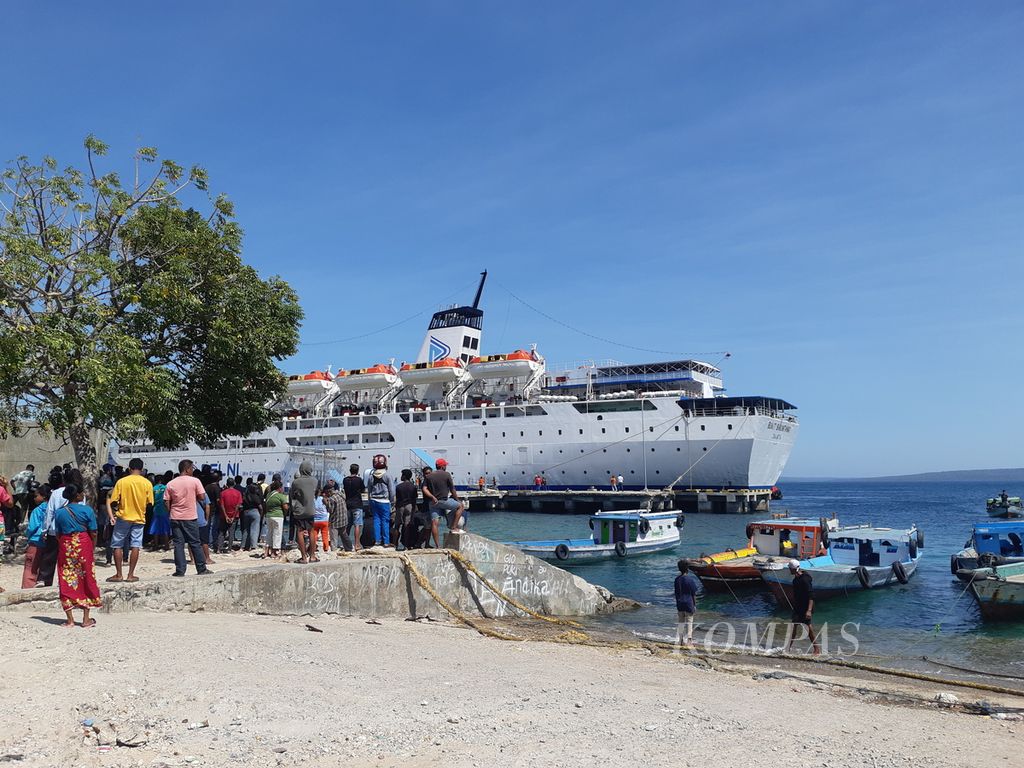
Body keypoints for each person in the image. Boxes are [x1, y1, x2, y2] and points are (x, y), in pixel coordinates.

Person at [53, 483, 102, 628]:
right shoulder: (87, 510)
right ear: (77, 495)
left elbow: (57, 534)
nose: (83, 495)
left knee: (66, 577)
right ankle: (86, 619)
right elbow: (93, 532)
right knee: (86, 577)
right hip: (84, 545)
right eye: (81, 493)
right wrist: (92, 547)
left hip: (66, 546)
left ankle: (70, 620)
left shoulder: (59, 512)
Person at [105, 457, 154, 583]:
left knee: (117, 545)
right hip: (139, 518)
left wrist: (116, 511)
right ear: (142, 469)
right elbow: (150, 503)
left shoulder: (122, 482)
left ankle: (119, 574)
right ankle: (131, 574)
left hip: (123, 517)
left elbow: (114, 501)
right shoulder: (147, 483)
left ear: (129, 468)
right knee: (136, 545)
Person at [164, 459, 213, 576]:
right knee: (195, 542)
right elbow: (201, 497)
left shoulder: (171, 483)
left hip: (175, 516)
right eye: (192, 468)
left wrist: (171, 511)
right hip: (190, 517)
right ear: (187, 469)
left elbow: (166, 501)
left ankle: (180, 570)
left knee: (178, 544)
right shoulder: (195, 481)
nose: (192, 470)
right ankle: (201, 568)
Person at [423, 458, 465, 538]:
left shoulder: (429, 476)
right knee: (460, 506)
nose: (446, 467)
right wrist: (457, 499)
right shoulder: (446, 474)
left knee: (435, 523)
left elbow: (424, 489)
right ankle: (454, 527)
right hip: (444, 500)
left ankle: (437, 546)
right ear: (442, 466)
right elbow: (452, 489)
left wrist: (432, 496)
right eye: (445, 465)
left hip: (433, 502)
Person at [785, 559, 819, 654]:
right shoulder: (795, 579)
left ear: (794, 569)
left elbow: (811, 595)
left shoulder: (804, 579)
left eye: (790, 568)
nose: (789, 570)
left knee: (808, 628)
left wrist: (808, 610)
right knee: (794, 626)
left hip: (806, 607)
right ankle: (788, 648)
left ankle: (816, 649)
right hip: (798, 606)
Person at [21, 484, 51, 588]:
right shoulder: (53, 509)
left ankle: (27, 589)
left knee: (30, 569)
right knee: (44, 569)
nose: (34, 498)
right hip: (49, 542)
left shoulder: (37, 510)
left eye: (36, 496)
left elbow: (32, 528)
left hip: (35, 542)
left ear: (43, 496)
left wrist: (28, 537)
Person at [289, 460, 318, 563]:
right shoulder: (314, 480)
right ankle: (313, 556)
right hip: (311, 509)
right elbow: (317, 493)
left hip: (300, 510)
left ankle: (304, 557)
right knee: (311, 532)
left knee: (300, 532)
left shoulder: (296, 482)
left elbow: (292, 495)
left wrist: (292, 508)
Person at [8, 464, 35, 552]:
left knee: (13, 507)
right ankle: (21, 521)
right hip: (24, 492)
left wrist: (15, 488)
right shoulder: (31, 474)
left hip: (17, 492)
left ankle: (15, 521)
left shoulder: (20, 473)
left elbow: (11, 481)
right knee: (25, 507)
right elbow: (30, 483)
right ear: (32, 469)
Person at [674, 560, 701, 645]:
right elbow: (693, 594)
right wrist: (695, 605)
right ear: (687, 569)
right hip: (689, 603)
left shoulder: (677, 579)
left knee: (681, 622)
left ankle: (681, 640)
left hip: (679, 603)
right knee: (689, 621)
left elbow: (676, 592)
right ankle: (689, 640)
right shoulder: (689, 580)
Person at [147, 471, 173, 551]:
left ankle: (155, 545)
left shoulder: (153, 488)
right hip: (165, 509)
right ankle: (166, 545)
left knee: (155, 528)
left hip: (156, 510)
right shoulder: (165, 487)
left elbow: (151, 500)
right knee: (165, 528)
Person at [393, 469, 418, 549]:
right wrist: (414, 509)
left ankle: (395, 545)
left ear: (404, 476)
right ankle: (406, 546)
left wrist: (396, 507)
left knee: (397, 526)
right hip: (409, 506)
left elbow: (397, 498)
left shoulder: (398, 487)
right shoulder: (413, 486)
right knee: (407, 526)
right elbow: (414, 499)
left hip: (400, 506)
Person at [216, 478, 243, 553]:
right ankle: (229, 549)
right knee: (231, 532)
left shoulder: (223, 493)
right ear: (234, 484)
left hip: (224, 516)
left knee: (222, 532)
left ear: (227, 484)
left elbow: (222, 505)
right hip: (234, 516)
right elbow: (238, 506)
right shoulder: (238, 493)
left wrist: (226, 516)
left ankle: (219, 548)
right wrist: (233, 516)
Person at [343, 464, 365, 551]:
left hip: (348, 504)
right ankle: (356, 544)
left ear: (350, 470)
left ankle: (346, 545)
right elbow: (363, 489)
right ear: (357, 470)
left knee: (347, 525)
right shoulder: (359, 480)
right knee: (357, 525)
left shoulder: (345, 480)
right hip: (357, 504)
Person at [264, 480, 288, 559]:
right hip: (278, 516)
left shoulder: (268, 495)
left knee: (269, 533)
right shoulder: (281, 496)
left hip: (268, 516)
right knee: (277, 534)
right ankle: (274, 552)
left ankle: (266, 551)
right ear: (280, 488)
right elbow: (285, 507)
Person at [324, 482, 350, 552]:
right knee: (344, 535)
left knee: (333, 539)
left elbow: (330, 510)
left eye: (326, 492)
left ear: (329, 491)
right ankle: (349, 548)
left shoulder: (332, 498)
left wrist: (326, 503)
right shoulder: (341, 494)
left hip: (335, 522)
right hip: (344, 519)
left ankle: (334, 552)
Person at [240, 478, 264, 552]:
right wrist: (261, 514)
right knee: (254, 530)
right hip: (254, 512)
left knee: (246, 530)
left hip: (246, 513)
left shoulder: (245, 496)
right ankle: (253, 545)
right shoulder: (255, 496)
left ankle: (243, 546)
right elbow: (260, 507)